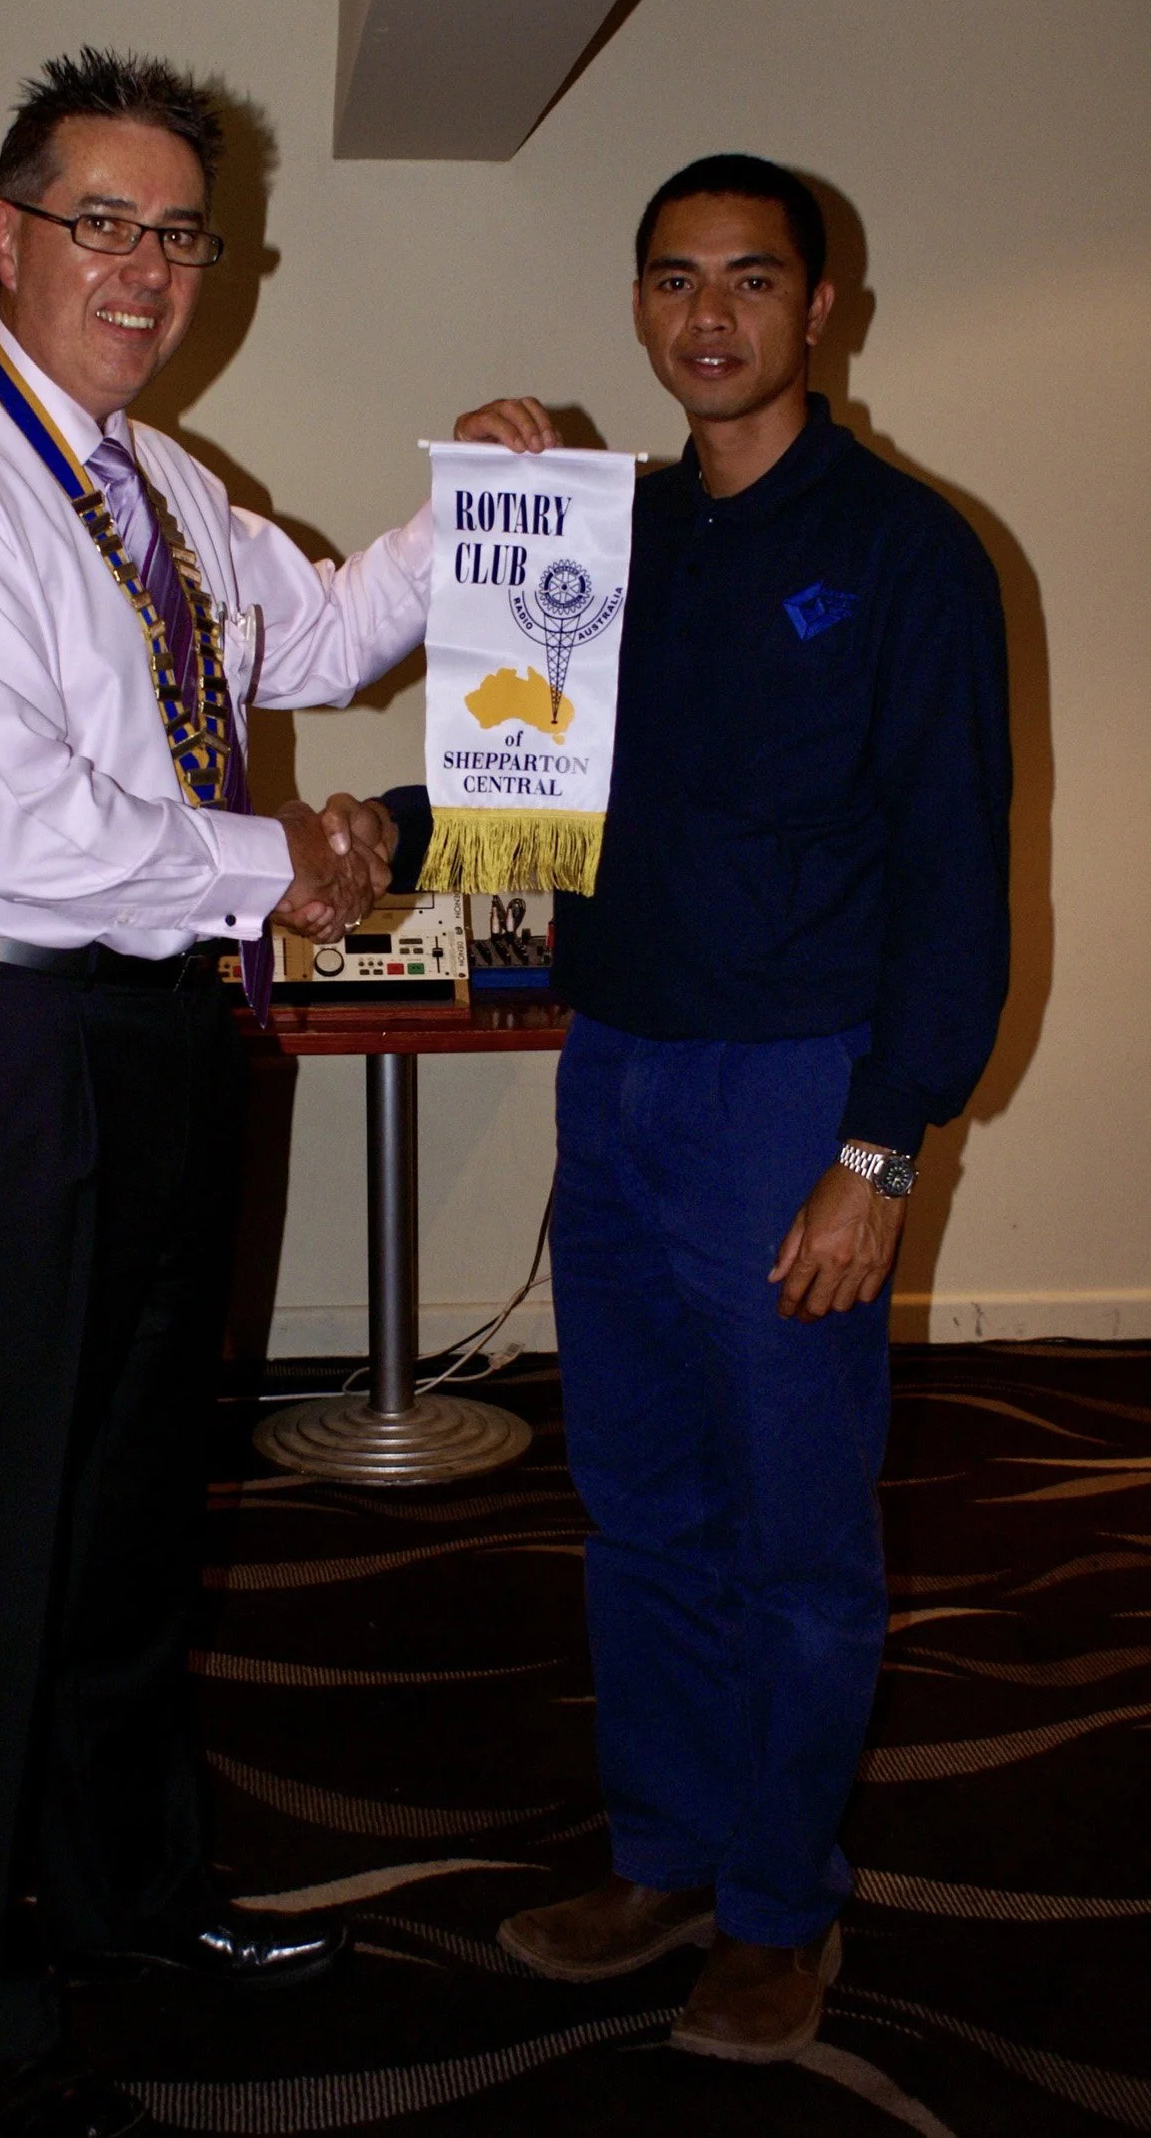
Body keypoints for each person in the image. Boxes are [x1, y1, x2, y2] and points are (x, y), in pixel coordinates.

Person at [0, 47, 425, 2138]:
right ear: (8, 235)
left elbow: (320, 636)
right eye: (106, 224)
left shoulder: (151, 486)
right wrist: (294, 867)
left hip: (154, 1032)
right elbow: (16, 829)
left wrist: (491, 507)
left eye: (181, 233)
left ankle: (136, 1894)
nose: (149, 272)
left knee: (141, 1500)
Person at [445, 155, 1011, 2064]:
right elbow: (521, 773)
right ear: (638, 307)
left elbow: (957, 880)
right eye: (674, 280)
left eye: (752, 282)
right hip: (612, 1076)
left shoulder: (914, 553)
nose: (710, 318)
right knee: (640, 1509)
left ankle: (782, 1906)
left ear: (821, 310)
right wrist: (501, 520)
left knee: (795, 1530)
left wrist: (881, 1148)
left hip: (795, 1099)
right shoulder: (608, 537)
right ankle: (666, 1853)